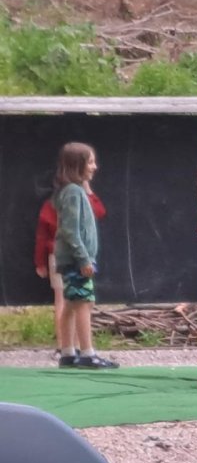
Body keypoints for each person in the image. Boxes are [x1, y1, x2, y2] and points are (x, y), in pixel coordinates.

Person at [51, 142, 119, 369]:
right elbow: (70, 230)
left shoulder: (74, 190)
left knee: (72, 302)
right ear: (77, 165)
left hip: (72, 259)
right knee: (84, 302)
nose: (95, 167)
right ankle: (88, 353)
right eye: (90, 162)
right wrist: (83, 259)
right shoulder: (73, 192)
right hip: (75, 260)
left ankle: (68, 352)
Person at [35, 174, 107, 362]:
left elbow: (99, 212)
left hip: (64, 256)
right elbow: (50, 234)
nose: (94, 168)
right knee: (77, 301)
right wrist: (40, 261)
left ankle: (68, 348)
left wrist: (88, 190)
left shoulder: (72, 198)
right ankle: (77, 349)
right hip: (70, 256)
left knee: (68, 301)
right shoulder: (71, 197)